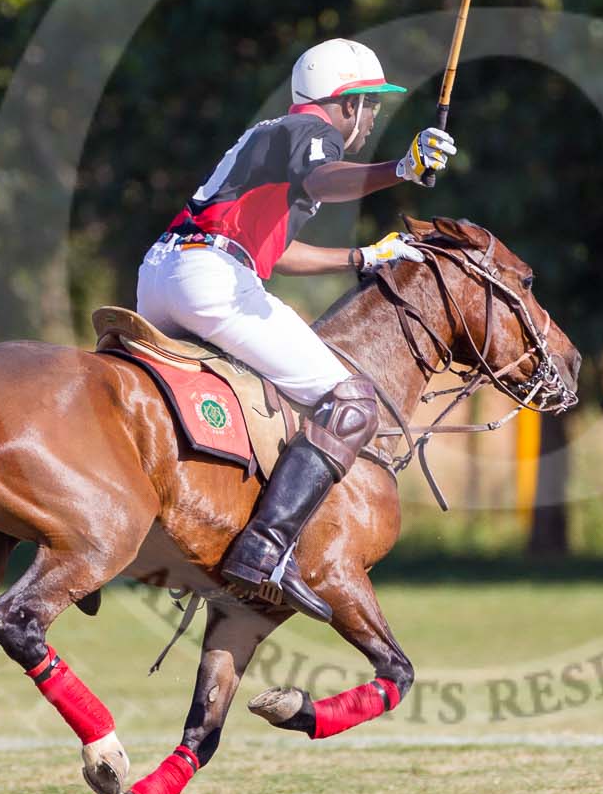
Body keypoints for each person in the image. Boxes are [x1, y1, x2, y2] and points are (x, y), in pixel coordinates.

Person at [136, 39, 455, 620]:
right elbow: (326, 179)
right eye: (369, 103)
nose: (373, 115)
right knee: (353, 401)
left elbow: (276, 253)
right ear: (345, 102)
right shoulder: (309, 130)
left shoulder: (272, 139)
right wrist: (401, 169)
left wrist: (363, 257)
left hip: (163, 273)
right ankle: (265, 553)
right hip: (210, 278)